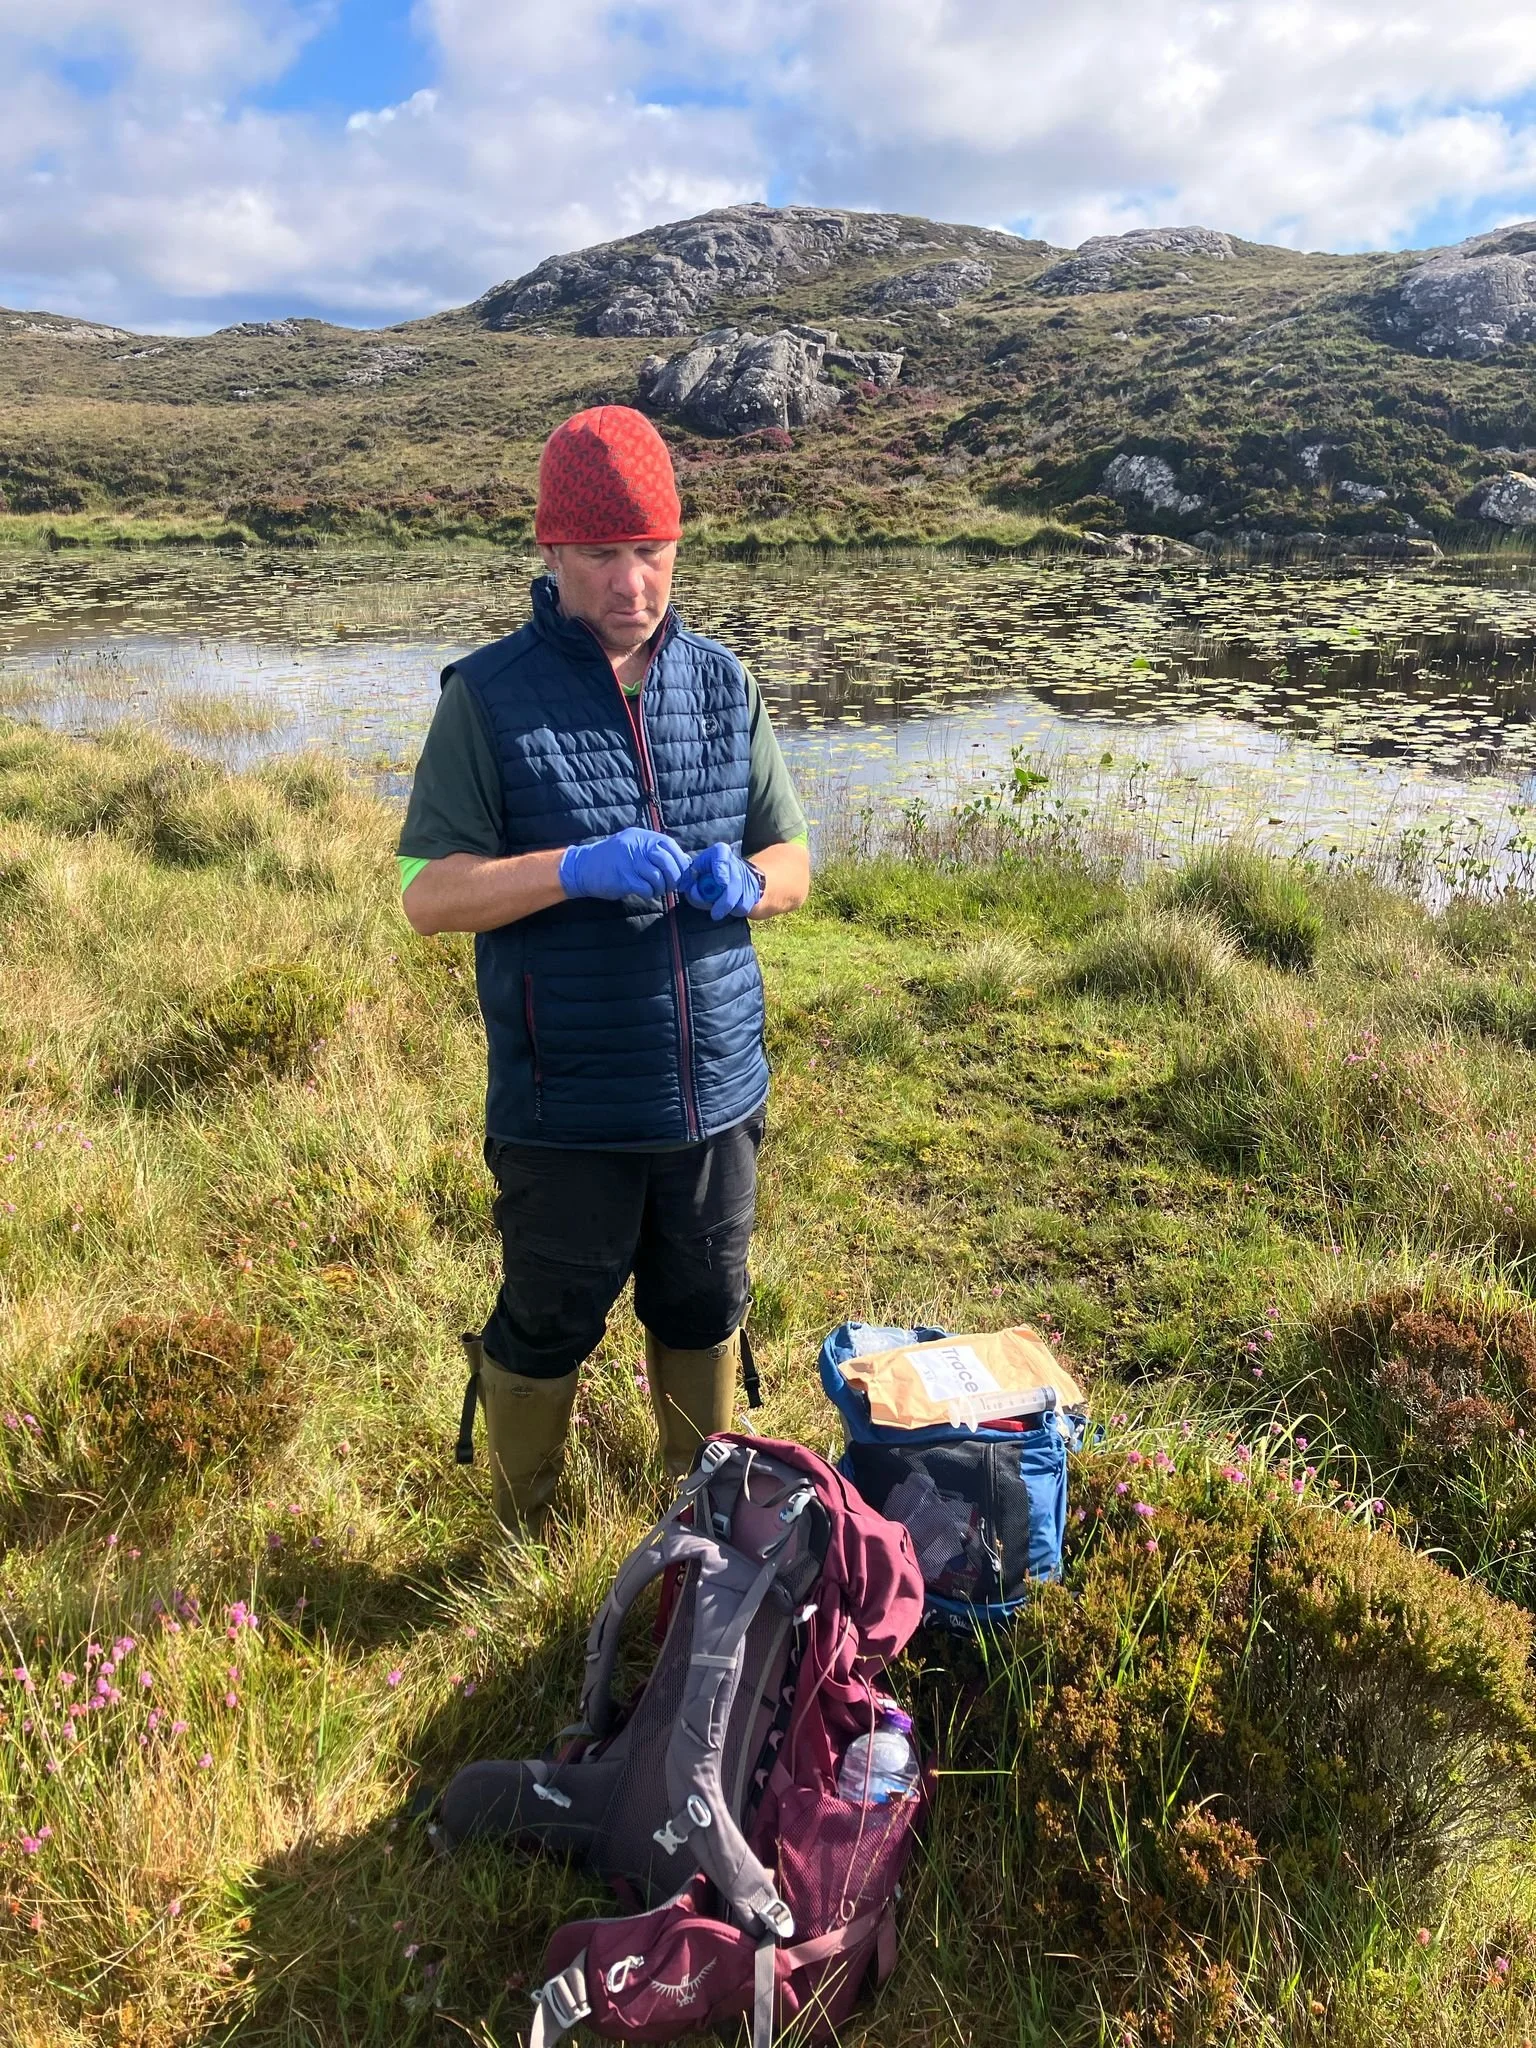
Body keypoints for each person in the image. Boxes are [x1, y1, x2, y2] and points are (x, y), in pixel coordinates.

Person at [397, 405, 810, 1534]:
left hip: (716, 1092)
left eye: (652, 549)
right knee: (550, 1319)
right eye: (600, 554)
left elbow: (794, 862)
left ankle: (699, 1521)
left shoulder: (723, 684)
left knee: (706, 1302)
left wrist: (748, 882)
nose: (632, 583)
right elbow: (430, 894)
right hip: (565, 1104)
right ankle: (524, 1531)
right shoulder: (488, 697)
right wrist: (572, 868)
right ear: (551, 552)